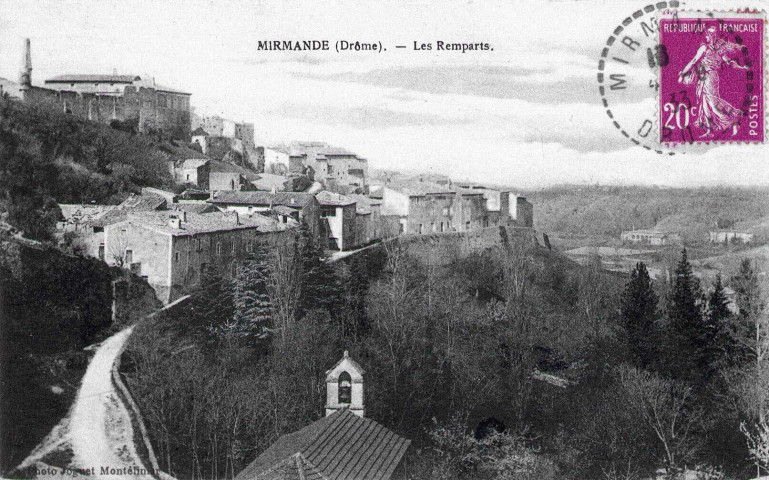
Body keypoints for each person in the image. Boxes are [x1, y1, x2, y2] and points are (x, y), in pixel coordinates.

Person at [678, 26, 750, 137]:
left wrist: (741, 68)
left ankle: (733, 121)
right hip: (704, 77)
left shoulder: (711, 49)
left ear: (711, 36)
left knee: (712, 102)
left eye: (708, 34)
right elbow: (695, 61)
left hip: (710, 77)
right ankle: (709, 130)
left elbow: (694, 61)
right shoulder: (710, 49)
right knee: (705, 103)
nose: (706, 36)